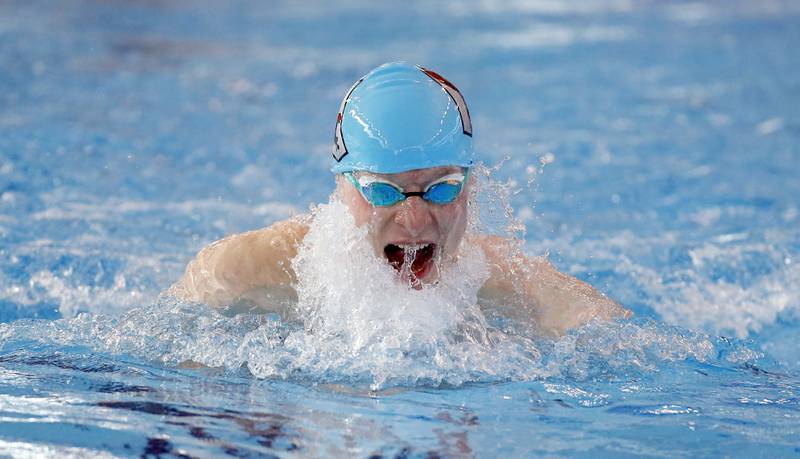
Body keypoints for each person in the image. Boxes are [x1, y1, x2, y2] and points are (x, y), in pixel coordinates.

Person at [167, 62, 628, 336]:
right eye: (381, 190)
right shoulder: (244, 270)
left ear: (472, 186)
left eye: (442, 187)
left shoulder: (506, 283)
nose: (413, 218)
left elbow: (616, 337)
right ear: (342, 188)